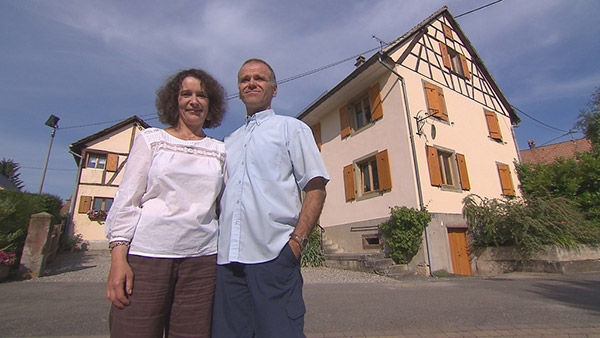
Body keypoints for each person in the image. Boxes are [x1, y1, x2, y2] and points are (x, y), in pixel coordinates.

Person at [105, 68, 227, 338]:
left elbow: (226, 206)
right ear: (175, 100)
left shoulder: (220, 150)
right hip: (147, 258)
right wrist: (118, 260)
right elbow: (127, 201)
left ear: (211, 103)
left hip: (202, 263)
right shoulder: (151, 140)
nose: (194, 101)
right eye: (186, 94)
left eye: (201, 95)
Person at [212, 58, 329, 338]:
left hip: (274, 257)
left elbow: (316, 186)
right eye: (245, 79)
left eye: (259, 78)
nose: (251, 83)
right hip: (228, 262)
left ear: (273, 90)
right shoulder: (228, 142)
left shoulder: (292, 129)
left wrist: (296, 243)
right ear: (239, 90)